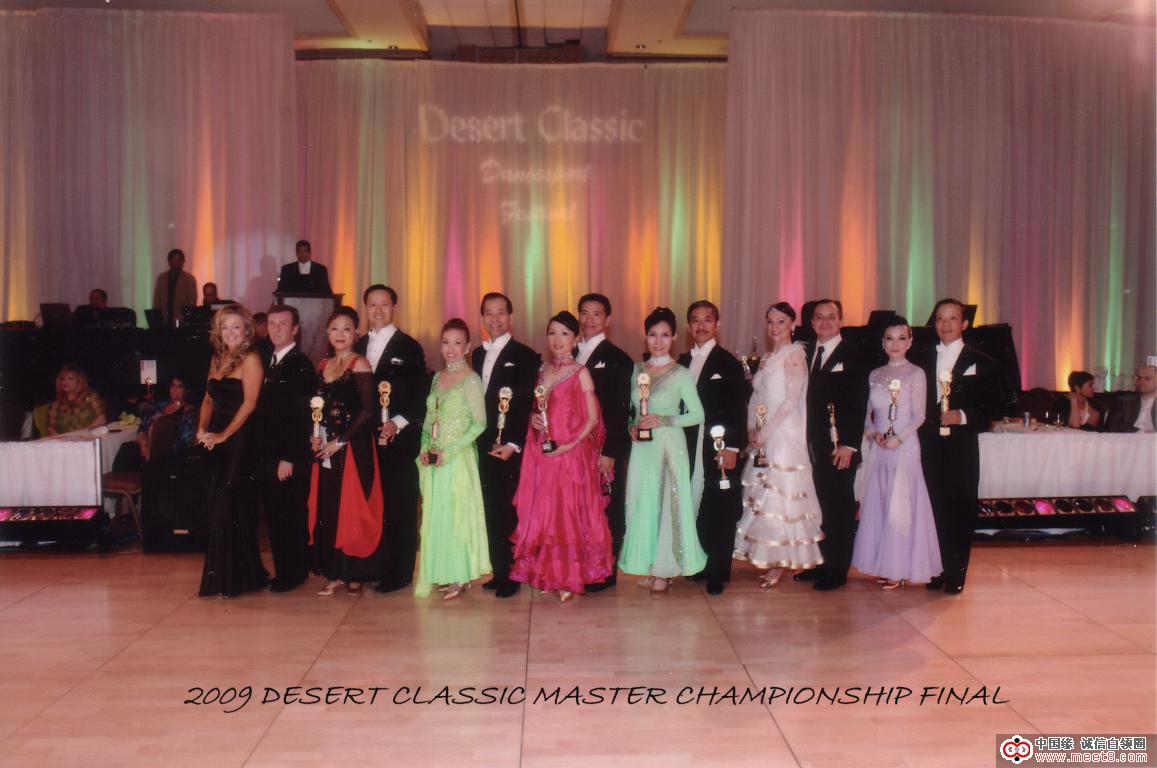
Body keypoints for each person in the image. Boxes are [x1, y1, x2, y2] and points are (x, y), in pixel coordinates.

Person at [510, 311, 613, 602]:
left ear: (575, 338)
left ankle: (569, 577)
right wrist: (533, 419)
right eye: (552, 333)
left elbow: (592, 418)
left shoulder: (581, 372)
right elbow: (538, 409)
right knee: (546, 514)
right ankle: (550, 574)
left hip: (570, 455)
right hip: (544, 454)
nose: (557, 339)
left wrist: (571, 444)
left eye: (564, 333)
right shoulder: (542, 371)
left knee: (567, 514)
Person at [734, 302, 824, 588]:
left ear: (792, 324)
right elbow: (757, 397)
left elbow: (791, 400)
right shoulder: (768, 357)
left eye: (781, 321)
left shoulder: (795, 354)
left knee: (779, 494)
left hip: (783, 432)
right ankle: (770, 556)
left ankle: (782, 560)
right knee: (763, 493)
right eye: (770, 321)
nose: (774, 327)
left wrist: (767, 431)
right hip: (763, 432)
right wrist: (752, 427)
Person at [917, 298, 1001, 595]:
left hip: (961, 447)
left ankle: (956, 572)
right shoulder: (920, 358)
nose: (946, 324)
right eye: (940, 318)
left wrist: (962, 416)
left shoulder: (983, 361)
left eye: (953, 318)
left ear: (964, 324)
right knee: (933, 508)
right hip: (927, 444)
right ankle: (938, 569)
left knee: (960, 509)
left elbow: (993, 409)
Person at [620, 307, 706, 594]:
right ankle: (653, 565)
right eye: (653, 335)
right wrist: (632, 427)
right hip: (643, 448)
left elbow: (698, 414)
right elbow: (633, 410)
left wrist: (664, 419)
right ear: (645, 337)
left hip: (670, 445)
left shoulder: (681, 373)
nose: (658, 341)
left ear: (674, 337)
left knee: (668, 504)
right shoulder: (637, 370)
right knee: (643, 502)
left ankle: (665, 570)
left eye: (665, 335)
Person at [851, 318, 942, 589]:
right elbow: (867, 414)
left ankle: (899, 568)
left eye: (901, 338)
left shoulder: (916, 373)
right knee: (881, 501)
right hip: (880, 449)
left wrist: (898, 439)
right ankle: (885, 565)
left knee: (901, 502)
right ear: (883, 342)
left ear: (910, 341)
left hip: (904, 447)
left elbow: (919, 415)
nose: (895, 344)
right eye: (889, 338)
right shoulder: (875, 374)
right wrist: (874, 433)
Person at [353, 284, 429, 593]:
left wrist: (397, 423)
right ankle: (376, 565)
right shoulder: (357, 344)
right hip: (365, 440)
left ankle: (399, 572)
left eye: (384, 304)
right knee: (373, 504)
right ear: (365, 308)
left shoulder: (409, 346)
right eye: (372, 304)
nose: (378, 310)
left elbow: (420, 394)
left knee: (400, 504)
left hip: (399, 439)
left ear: (394, 307)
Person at [308, 306, 382, 597]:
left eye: (347, 328)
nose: (340, 334)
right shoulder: (323, 364)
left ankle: (355, 573)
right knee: (330, 508)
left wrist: (340, 441)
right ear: (327, 332)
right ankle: (335, 572)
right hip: (326, 447)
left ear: (356, 333)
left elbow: (368, 411)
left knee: (353, 509)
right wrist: (314, 435)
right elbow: (318, 410)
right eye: (335, 328)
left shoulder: (359, 363)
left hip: (353, 446)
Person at [415, 319, 491, 600]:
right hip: (435, 459)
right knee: (438, 516)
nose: (451, 348)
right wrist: (426, 446)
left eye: (458, 343)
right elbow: (429, 420)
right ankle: (444, 573)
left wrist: (450, 451)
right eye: (446, 342)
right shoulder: (437, 378)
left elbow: (479, 423)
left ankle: (459, 575)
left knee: (457, 514)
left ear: (467, 347)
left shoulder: (471, 380)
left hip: (458, 459)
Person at [197, 304, 269, 597]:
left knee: (230, 502)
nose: (230, 332)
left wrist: (224, 435)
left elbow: (249, 404)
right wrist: (201, 429)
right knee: (220, 503)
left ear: (246, 329)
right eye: (224, 327)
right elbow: (207, 399)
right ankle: (237, 576)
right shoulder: (217, 357)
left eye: (236, 326)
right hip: (216, 436)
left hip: (240, 437)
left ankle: (236, 579)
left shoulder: (252, 358)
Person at [471, 293, 540, 599]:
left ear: (511, 317)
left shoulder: (525, 355)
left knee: (509, 510)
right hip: (482, 442)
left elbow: (526, 404)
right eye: (489, 313)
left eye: (501, 312)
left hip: (510, 446)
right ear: (482, 318)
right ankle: (499, 571)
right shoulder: (476, 354)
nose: (495, 318)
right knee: (489, 508)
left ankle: (513, 573)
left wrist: (514, 443)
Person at [679, 300, 748, 595]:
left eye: (707, 319)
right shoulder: (682, 361)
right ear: (688, 326)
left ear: (716, 324)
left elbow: (737, 408)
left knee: (721, 506)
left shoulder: (727, 362)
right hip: (689, 446)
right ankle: (703, 564)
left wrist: (732, 447)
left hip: (719, 447)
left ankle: (719, 572)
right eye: (695, 320)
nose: (701, 325)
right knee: (701, 504)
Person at [801, 298, 868, 591]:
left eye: (831, 316)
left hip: (840, 448)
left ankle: (838, 569)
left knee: (838, 507)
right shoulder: (806, 354)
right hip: (812, 445)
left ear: (840, 320)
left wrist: (850, 445)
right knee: (819, 505)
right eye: (819, 316)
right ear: (811, 322)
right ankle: (822, 562)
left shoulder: (852, 355)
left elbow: (858, 403)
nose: (825, 322)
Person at [256, 305, 316, 593]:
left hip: (287, 456)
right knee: (277, 514)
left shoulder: (300, 365)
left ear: (295, 329)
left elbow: (302, 417)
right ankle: (292, 570)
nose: (276, 329)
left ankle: (290, 574)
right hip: (270, 452)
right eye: (272, 323)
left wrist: (289, 458)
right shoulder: (270, 359)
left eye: (283, 324)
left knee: (287, 515)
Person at [575, 293, 633, 591]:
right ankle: (582, 568)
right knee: (580, 508)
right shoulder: (568, 353)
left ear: (607, 319)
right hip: (575, 450)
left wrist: (610, 452)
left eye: (596, 314)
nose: (589, 320)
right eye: (584, 313)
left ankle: (606, 572)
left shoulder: (618, 358)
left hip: (604, 449)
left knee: (607, 509)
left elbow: (620, 412)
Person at [136, 374, 197, 460]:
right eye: (172, 385)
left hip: (167, 454)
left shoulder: (188, 411)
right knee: (127, 448)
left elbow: (185, 440)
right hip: (145, 445)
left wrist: (157, 445)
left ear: (187, 391)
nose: (174, 389)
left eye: (179, 386)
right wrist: (142, 435)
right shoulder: (161, 405)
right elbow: (144, 422)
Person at [37, 364, 107, 436]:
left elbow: (101, 418)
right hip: (66, 441)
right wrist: (62, 440)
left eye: (70, 379)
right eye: (63, 379)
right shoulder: (56, 404)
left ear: (79, 381)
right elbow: (50, 428)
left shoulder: (91, 397)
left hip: (89, 437)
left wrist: (85, 433)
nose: (65, 382)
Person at [152, 248, 197, 326]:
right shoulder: (161, 278)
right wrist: (156, 319)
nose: (177, 262)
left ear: (183, 261)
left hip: (181, 322)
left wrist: (185, 320)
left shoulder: (189, 279)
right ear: (169, 261)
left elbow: (192, 303)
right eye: (174, 259)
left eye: (179, 259)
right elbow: (157, 300)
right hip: (163, 320)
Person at [1105, 365, 1156, 433]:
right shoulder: (1123, 401)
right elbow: (1112, 427)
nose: (1141, 382)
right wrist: (1140, 432)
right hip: (1129, 437)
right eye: (1139, 378)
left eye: (1147, 378)